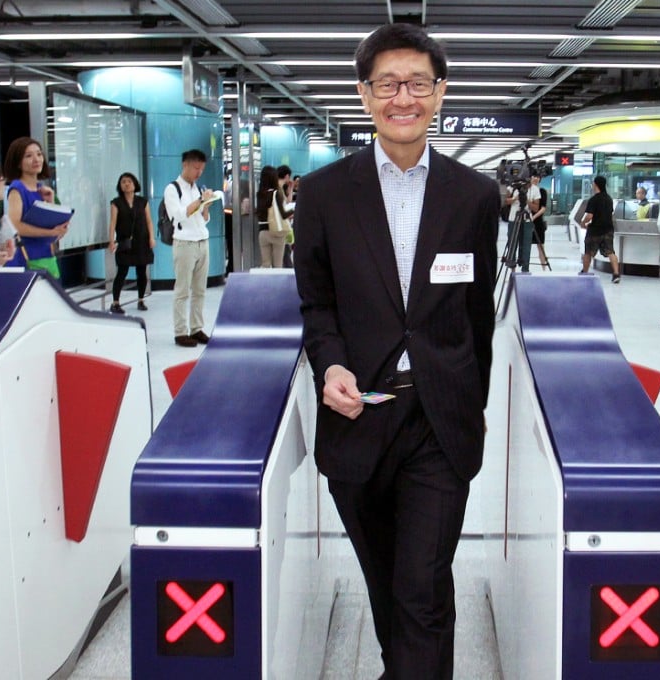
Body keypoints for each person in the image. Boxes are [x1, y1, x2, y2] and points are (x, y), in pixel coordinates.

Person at [293, 23, 499, 679]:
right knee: (387, 583)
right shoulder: (324, 194)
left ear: (439, 93)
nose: (402, 97)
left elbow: (477, 313)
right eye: (387, 84)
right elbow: (316, 303)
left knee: (421, 586)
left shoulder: (473, 195)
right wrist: (330, 364)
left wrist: (472, 407)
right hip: (361, 415)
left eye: (417, 83)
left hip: (439, 421)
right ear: (364, 94)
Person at [164, 148, 215, 348]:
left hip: (202, 241)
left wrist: (206, 206)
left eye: (201, 169)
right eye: (196, 168)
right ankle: (180, 331)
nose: (199, 172)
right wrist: (200, 201)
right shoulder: (172, 189)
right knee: (182, 290)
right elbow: (178, 215)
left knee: (200, 290)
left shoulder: (197, 188)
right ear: (185, 164)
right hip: (184, 244)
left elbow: (203, 218)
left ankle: (196, 328)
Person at [4, 136, 69, 279]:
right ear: (18, 163)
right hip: (27, 256)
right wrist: (49, 232)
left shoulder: (41, 189)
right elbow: (15, 226)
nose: (36, 159)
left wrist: (51, 202)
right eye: (28, 156)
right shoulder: (17, 189)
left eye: (39, 154)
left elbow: (51, 228)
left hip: (45, 255)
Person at [108, 172, 155, 313]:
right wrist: (111, 241)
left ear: (135, 184)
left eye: (129, 181)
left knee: (142, 272)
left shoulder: (143, 202)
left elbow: (149, 221)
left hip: (142, 241)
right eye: (123, 182)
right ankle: (115, 302)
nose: (126, 184)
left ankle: (141, 300)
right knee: (121, 272)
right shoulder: (116, 203)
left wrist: (152, 238)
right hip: (124, 242)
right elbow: (112, 223)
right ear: (120, 185)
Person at [581, 175, 621, 283]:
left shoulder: (593, 199)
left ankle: (585, 272)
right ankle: (616, 274)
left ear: (596, 184)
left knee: (588, 252)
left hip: (595, 230)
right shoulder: (609, 199)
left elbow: (589, 215)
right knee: (610, 252)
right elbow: (610, 214)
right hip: (608, 229)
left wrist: (583, 222)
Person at [255, 165, 293, 268]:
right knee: (278, 266)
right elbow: (284, 214)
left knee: (266, 265)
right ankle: (277, 284)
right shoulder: (276, 193)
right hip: (276, 232)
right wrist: (294, 208)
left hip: (262, 233)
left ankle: (264, 284)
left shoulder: (259, 194)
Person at [504, 178, 534, 271]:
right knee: (512, 243)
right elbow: (505, 201)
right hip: (513, 219)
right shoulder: (511, 187)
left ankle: (525, 270)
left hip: (527, 220)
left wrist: (526, 200)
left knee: (526, 246)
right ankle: (512, 270)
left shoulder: (534, 188)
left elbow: (536, 207)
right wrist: (515, 198)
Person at [529, 174, 550, 270]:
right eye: (534, 176)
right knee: (525, 246)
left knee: (541, 247)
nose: (536, 178)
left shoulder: (542, 191)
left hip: (538, 222)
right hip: (526, 221)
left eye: (538, 177)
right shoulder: (527, 191)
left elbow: (543, 208)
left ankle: (544, 268)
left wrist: (533, 217)